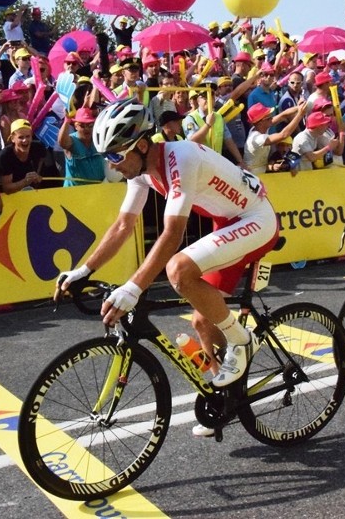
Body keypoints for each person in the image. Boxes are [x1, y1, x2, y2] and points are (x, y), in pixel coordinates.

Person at [55, 99, 279, 437]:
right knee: (204, 319)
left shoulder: (181, 157)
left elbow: (172, 233)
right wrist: (82, 271)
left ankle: (241, 341)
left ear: (142, 145)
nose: (112, 165)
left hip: (256, 219)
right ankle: (226, 402)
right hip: (227, 220)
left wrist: (132, 289)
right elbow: (122, 226)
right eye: (106, 157)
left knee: (178, 270)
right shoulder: (141, 170)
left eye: (116, 155)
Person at [243, 102, 304, 174]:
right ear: (260, 123)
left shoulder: (260, 127)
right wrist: (300, 114)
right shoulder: (257, 138)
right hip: (253, 175)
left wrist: (299, 107)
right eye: (268, 118)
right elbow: (283, 135)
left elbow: (283, 115)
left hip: (262, 171)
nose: (271, 118)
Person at [57, 107, 105, 187]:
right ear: (75, 126)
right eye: (82, 125)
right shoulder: (72, 141)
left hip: (98, 189)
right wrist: (66, 121)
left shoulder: (99, 139)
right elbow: (62, 143)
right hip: (76, 192)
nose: (86, 129)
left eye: (90, 125)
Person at [0, 119, 45, 193]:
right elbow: (6, 189)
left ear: (32, 136)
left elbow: (41, 162)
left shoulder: (38, 148)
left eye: (28, 136)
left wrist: (38, 175)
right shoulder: (5, 156)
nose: (25, 140)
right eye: (21, 137)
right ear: (12, 138)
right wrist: (25, 182)